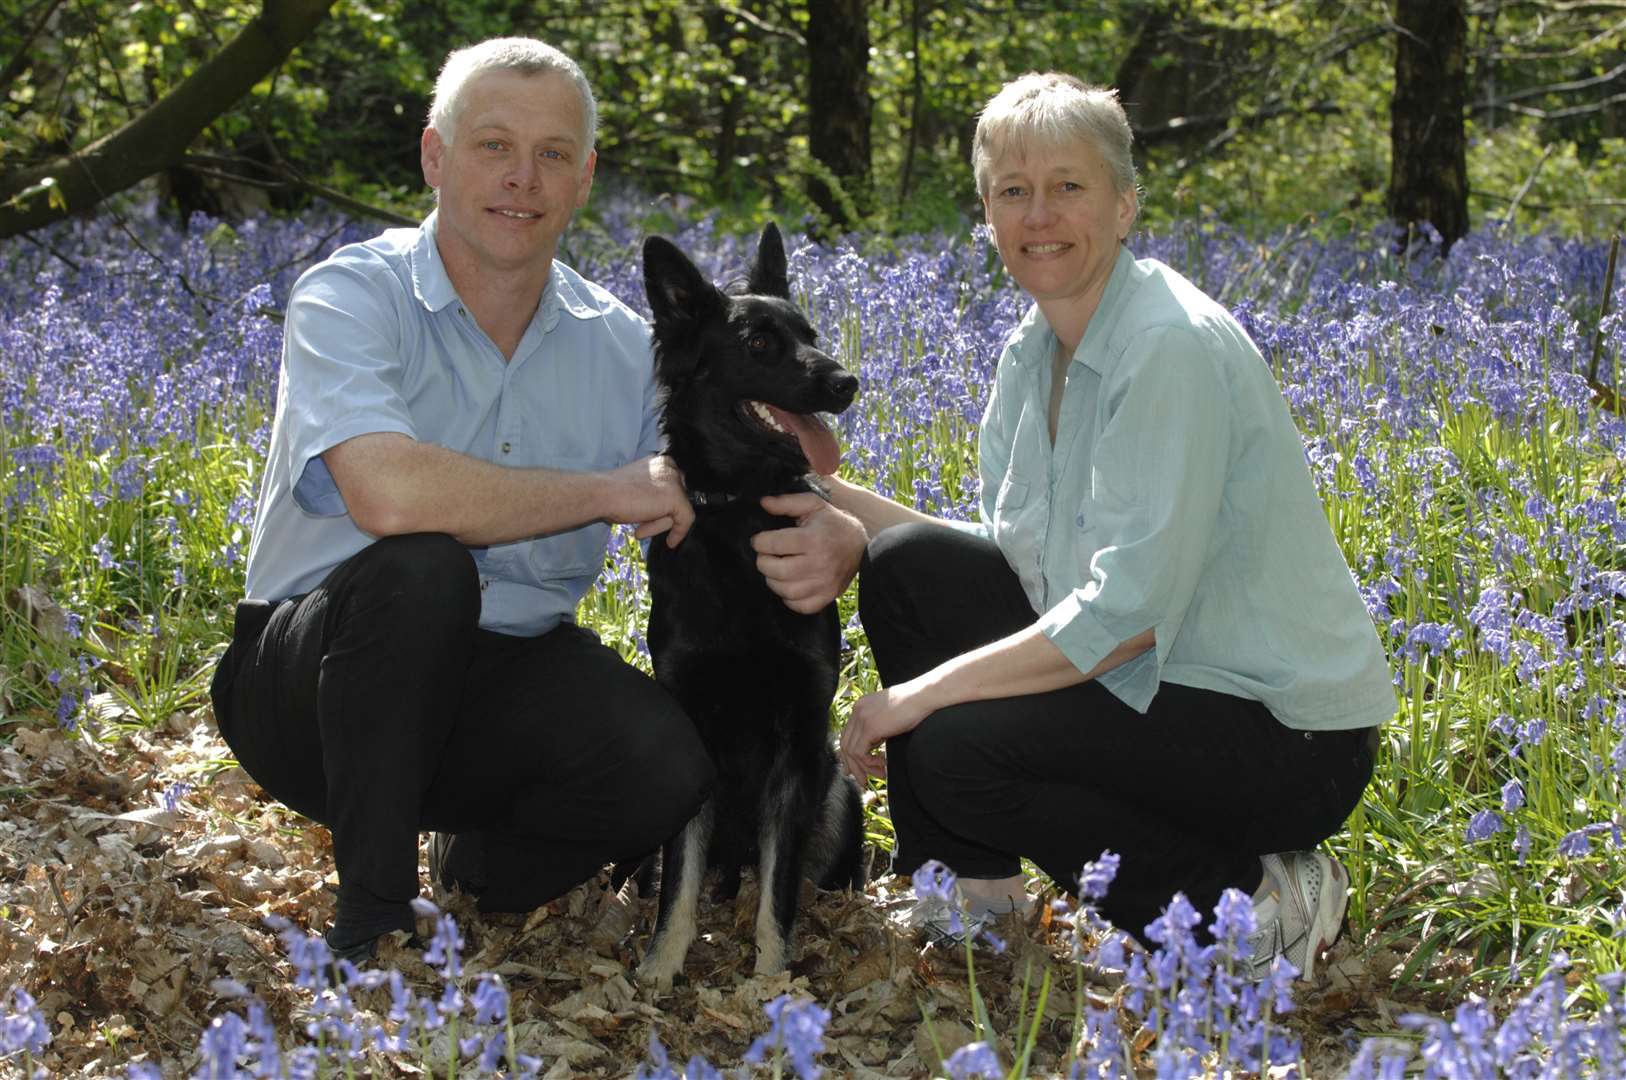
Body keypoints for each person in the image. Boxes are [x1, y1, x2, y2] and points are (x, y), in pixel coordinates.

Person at [767, 73, 1395, 978]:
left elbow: (1123, 618)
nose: (1040, 214)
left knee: (950, 746)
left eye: (1069, 186)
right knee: (908, 566)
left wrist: (919, 696)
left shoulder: (1167, 344)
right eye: (1013, 192)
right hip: (1161, 679)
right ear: (987, 217)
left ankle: (1254, 907)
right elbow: (1017, 570)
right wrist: (807, 493)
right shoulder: (1034, 350)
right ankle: (977, 901)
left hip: (1280, 738)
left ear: (1125, 204)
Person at [209, 37, 717, 965]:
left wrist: (846, 528)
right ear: (435, 157)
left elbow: (729, 468)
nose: (522, 178)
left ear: (584, 178)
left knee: (666, 768)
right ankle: (373, 918)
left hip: (500, 678)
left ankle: (479, 871)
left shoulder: (622, 348)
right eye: (493, 145)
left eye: (553, 155)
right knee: (422, 569)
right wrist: (606, 490)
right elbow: (389, 494)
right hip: (309, 682)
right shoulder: (352, 296)